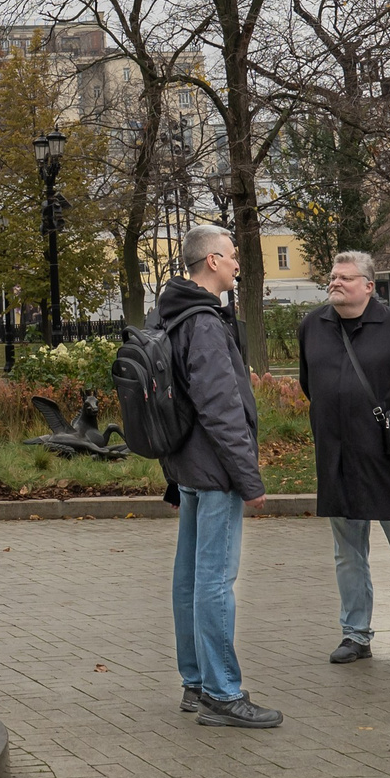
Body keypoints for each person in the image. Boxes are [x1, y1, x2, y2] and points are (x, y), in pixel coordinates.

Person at [156, 225, 281, 729]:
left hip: (187, 466)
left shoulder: (171, 313)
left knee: (188, 578)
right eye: (232, 256)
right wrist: (248, 479)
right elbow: (221, 408)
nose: (237, 264)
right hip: (214, 470)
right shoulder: (204, 323)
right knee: (213, 582)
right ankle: (222, 693)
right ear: (211, 261)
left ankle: (194, 683)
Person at [300, 251, 390, 669]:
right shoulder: (313, 325)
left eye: (345, 277)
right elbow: (312, 385)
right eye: (332, 276)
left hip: (387, 457)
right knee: (347, 552)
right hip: (336, 456)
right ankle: (355, 635)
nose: (335, 283)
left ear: (368, 286)